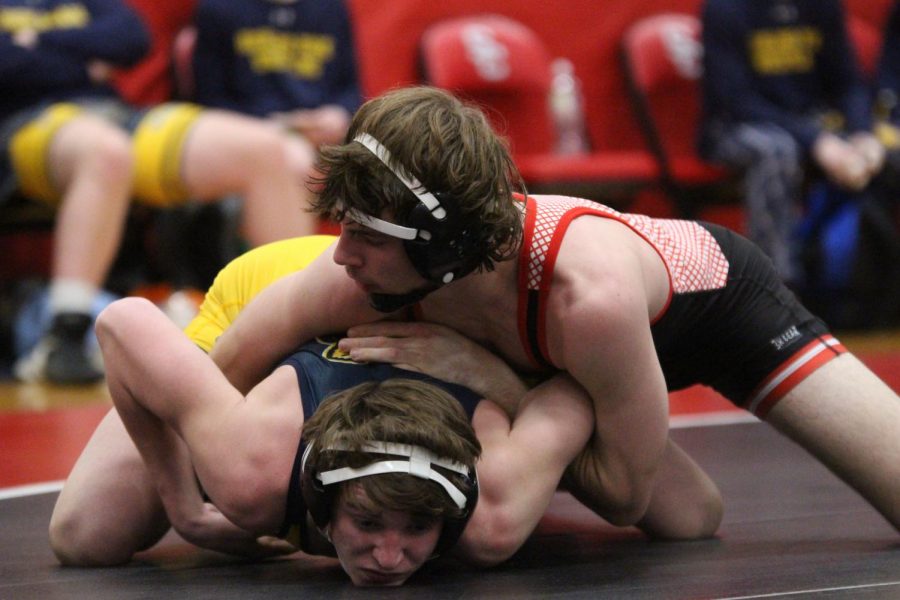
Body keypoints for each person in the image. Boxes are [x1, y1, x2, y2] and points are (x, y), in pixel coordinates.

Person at [208, 86, 900, 541]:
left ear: (446, 249)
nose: (339, 256)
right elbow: (216, 374)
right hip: (584, 367)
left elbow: (624, 498)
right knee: (690, 520)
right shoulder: (373, 274)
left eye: (364, 238)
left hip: (717, 309)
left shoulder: (585, 297)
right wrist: (196, 502)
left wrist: (499, 382)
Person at [48, 294, 595, 584]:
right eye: (368, 521)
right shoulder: (253, 468)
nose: (388, 556)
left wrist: (496, 376)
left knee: (679, 513)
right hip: (284, 298)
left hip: (457, 334)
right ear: (323, 504)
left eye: (419, 526)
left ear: (450, 514)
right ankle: (194, 382)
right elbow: (123, 323)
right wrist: (185, 507)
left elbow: (577, 385)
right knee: (82, 538)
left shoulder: (492, 514)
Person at [1, 0, 318, 383]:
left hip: (112, 112)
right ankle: (64, 335)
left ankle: (296, 330)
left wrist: (36, 43)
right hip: (24, 119)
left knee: (272, 151)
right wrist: (79, 58)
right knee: (106, 153)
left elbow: (132, 38)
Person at [697, 0, 886, 285]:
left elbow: (847, 82)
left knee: (885, 155)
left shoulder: (822, 7)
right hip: (735, 127)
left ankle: (873, 290)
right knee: (777, 151)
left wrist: (862, 134)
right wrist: (816, 141)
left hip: (811, 125)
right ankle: (773, 285)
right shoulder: (724, 8)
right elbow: (735, 100)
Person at [190, 0, 363, 203]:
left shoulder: (331, 8)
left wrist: (338, 113)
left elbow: (350, 90)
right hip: (248, 133)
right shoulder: (218, 8)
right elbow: (209, 101)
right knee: (293, 159)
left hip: (321, 138)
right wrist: (271, 130)